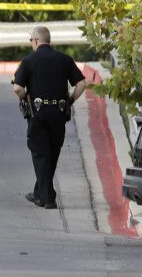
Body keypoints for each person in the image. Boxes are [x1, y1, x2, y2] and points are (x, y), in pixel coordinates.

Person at [12, 26, 88, 210]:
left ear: (36, 40)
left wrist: (25, 99)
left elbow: (17, 88)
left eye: (31, 40)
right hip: (59, 114)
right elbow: (82, 83)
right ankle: (39, 193)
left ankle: (48, 198)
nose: (31, 43)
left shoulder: (28, 61)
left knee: (41, 154)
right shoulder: (64, 60)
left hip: (38, 113)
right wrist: (70, 100)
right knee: (51, 154)